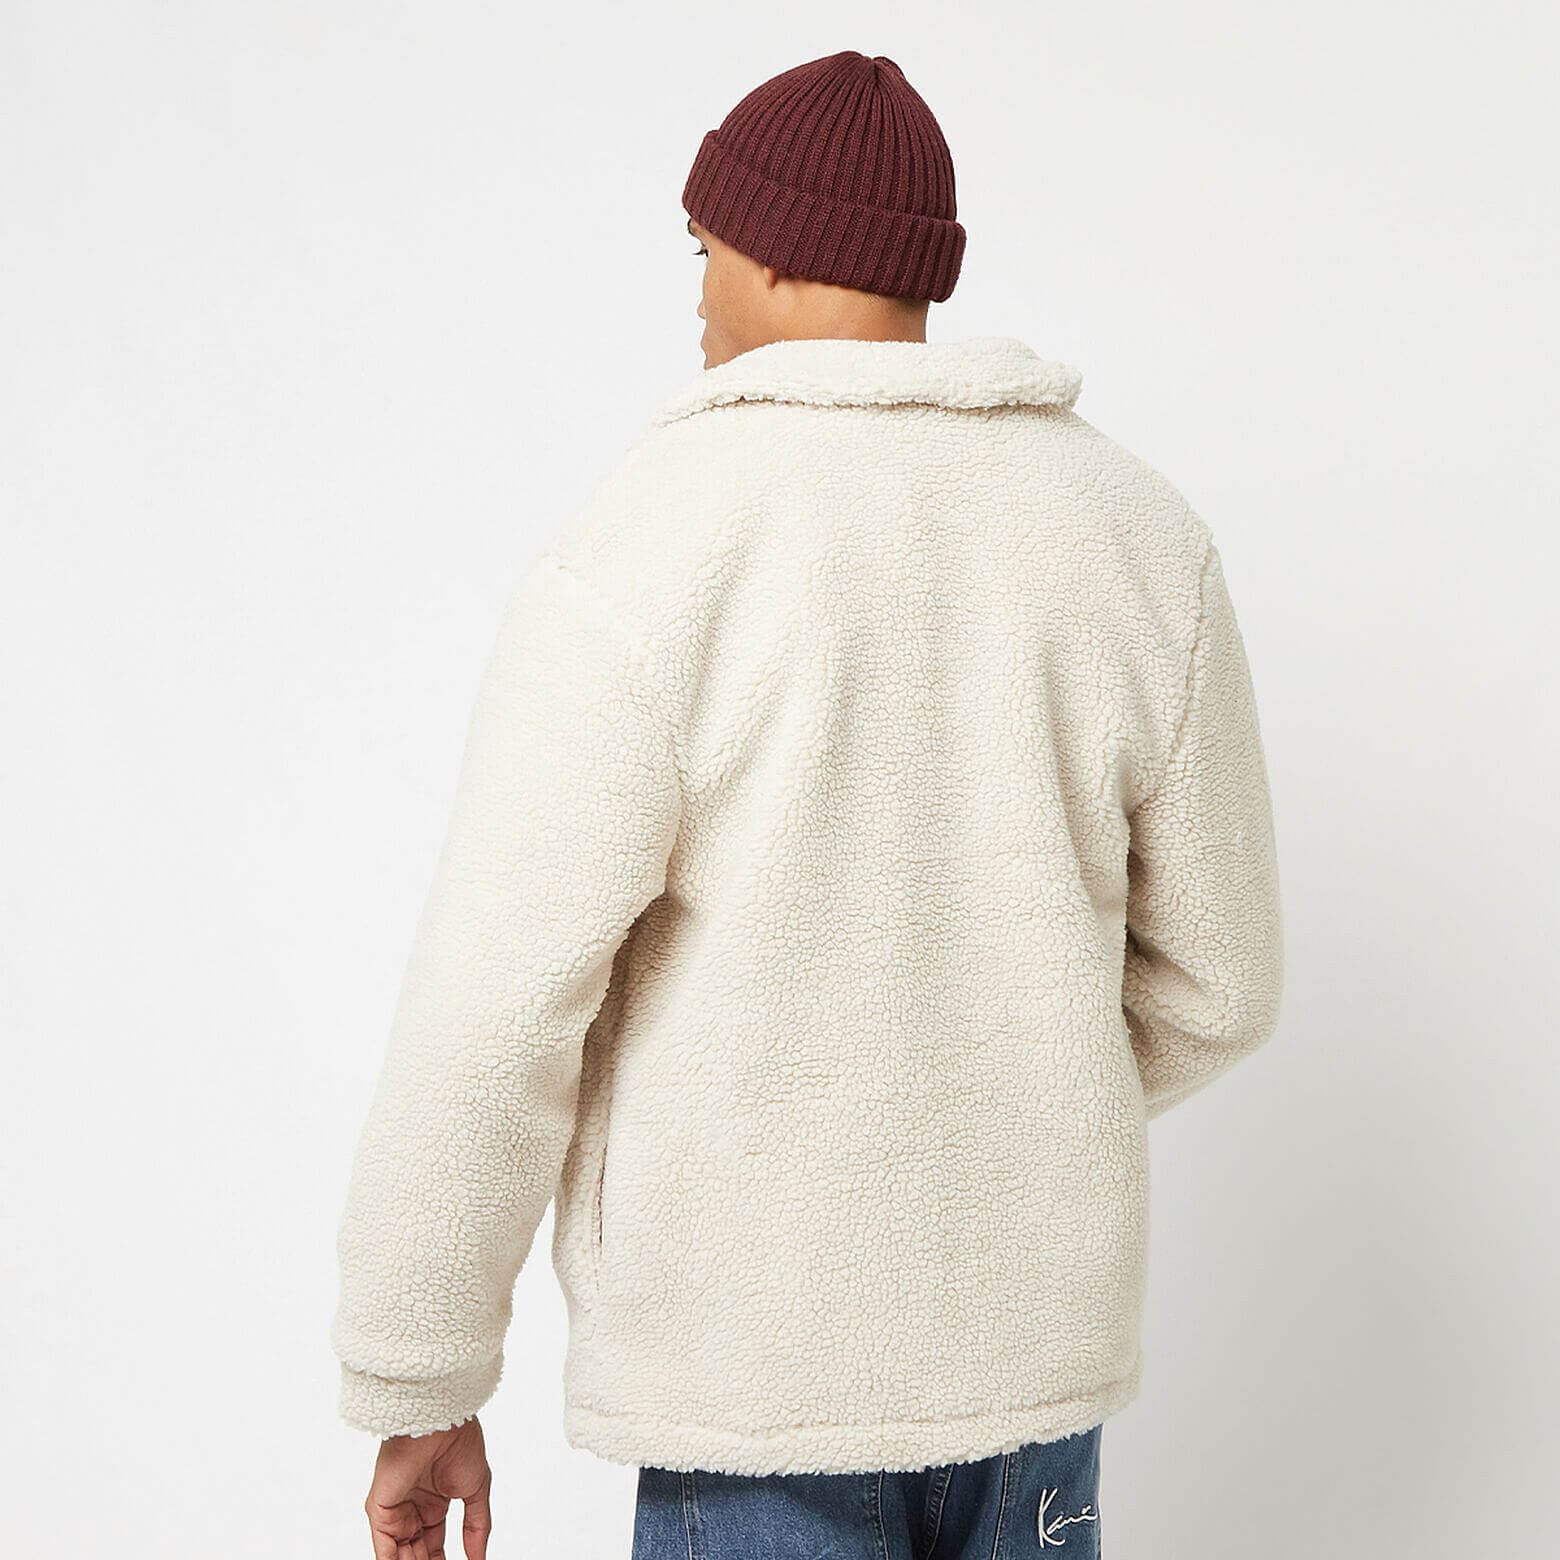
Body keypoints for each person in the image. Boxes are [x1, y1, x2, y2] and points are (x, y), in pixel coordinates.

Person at [332, 48, 1285, 1560]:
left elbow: (495, 1009)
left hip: (750, 1385)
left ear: (775, 253)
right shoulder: (1135, 538)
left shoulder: (646, 549)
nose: (699, 298)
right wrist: (1005, 1104)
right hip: (1033, 1395)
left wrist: (423, 1375)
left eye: (702, 252)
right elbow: (1222, 982)